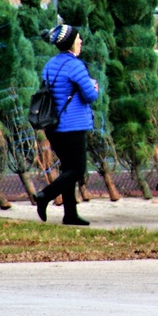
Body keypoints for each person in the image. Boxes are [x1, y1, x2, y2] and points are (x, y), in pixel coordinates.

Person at [33, 24, 99, 225]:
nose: (80, 41)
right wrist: (95, 86)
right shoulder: (75, 66)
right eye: (78, 38)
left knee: (68, 169)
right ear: (70, 42)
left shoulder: (50, 65)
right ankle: (45, 195)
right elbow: (90, 95)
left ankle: (70, 214)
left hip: (53, 126)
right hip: (72, 126)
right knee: (78, 170)